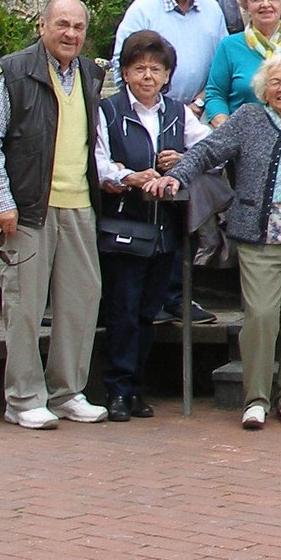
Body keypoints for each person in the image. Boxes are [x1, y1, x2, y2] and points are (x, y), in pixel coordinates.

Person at [158, 53, 281, 429]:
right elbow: (207, 150)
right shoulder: (249, 119)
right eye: (274, 82)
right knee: (261, 316)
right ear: (263, 90)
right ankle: (256, 398)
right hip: (259, 237)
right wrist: (178, 176)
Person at [0, 0, 108, 430]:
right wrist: (1, 201)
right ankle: (23, 398)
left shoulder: (90, 74)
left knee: (80, 304)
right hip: (30, 208)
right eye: (62, 24)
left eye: (79, 27)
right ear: (42, 26)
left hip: (80, 205)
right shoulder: (14, 72)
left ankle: (67, 392)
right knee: (25, 307)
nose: (71, 34)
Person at [92, 29, 209, 422]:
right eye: (139, 68)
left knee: (148, 312)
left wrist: (184, 160)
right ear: (125, 73)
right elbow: (98, 162)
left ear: (167, 75)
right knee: (122, 311)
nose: (147, 76)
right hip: (123, 226)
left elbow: (211, 149)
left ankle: (135, 388)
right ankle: (117, 390)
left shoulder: (177, 113)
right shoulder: (108, 111)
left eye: (156, 69)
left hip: (165, 231)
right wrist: (129, 176)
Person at [112, 0, 226, 105]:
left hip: (202, 110)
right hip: (153, 111)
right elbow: (122, 66)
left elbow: (224, 66)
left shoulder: (213, 10)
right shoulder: (143, 10)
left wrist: (198, 104)